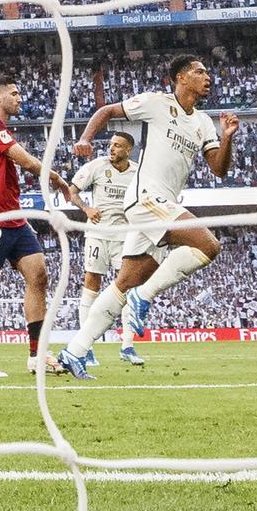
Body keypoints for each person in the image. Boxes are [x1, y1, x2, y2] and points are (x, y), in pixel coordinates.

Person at [59, 55, 237, 379]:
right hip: (144, 200)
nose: (207, 76)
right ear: (181, 78)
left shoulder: (203, 123)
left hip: (162, 204)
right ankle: (145, 296)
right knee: (209, 245)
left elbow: (219, 169)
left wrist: (227, 138)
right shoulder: (157, 104)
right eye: (200, 72)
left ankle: (74, 351)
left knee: (123, 284)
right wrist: (86, 138)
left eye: (208, 72)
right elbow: (107, 111)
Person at [0, 75, 69, 378]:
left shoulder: (1, 129)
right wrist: (58, 178)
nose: (19, 97)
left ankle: (37, 355)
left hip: (14, 215)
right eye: (14, 93)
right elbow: (26, 161)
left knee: (39, 275)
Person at [64, 132, 144, 367]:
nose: (112, 149)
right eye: (111, 145)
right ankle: (85, 348)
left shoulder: (138, 172)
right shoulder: (97, 166)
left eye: (118, 146)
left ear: (128, 150)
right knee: (91, 286)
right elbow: (72, 191)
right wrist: (87, 209)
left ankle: (127, 346)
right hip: (98, 235)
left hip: (125, 238)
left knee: (128, 289)